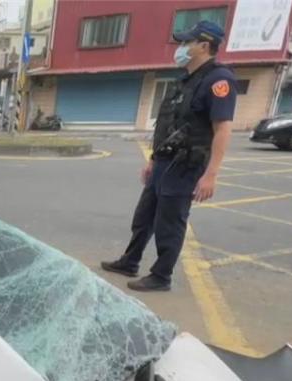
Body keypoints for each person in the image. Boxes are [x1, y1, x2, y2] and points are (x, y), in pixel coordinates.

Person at [101, 20, 236, 292]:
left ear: (204, 45)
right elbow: (167, 124)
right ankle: (130, 260)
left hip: (186, 165)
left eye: (187, 43)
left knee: (169, 222)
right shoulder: (185, 80)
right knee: (144, 216)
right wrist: (153, 159)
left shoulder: (219, 80)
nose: (181, 48)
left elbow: (222, 129)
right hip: (164, 161)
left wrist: (211, 174)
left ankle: (161, 276)